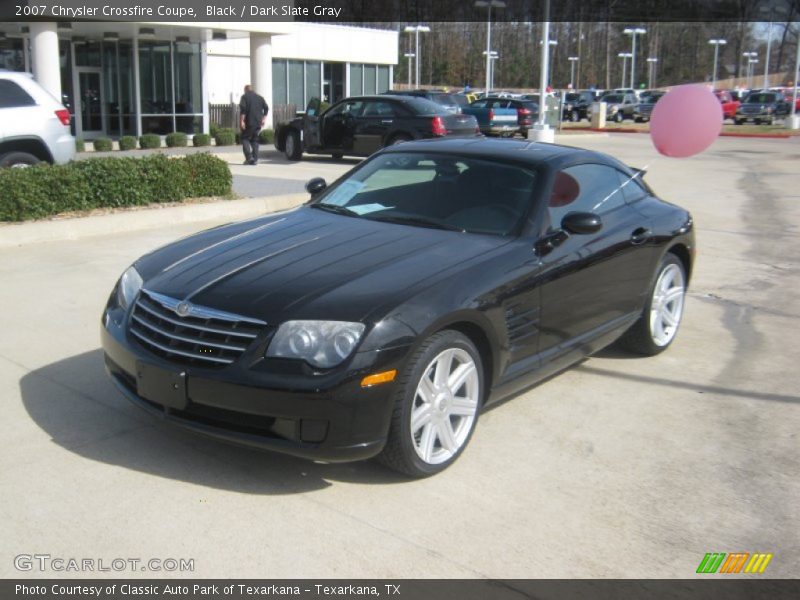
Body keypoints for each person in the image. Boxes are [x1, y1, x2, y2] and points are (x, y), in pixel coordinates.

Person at [239, 84, 269, 165]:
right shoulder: (259, 97)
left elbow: (243, 110)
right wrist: (264, 119)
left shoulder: (244, 97)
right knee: (255, 139)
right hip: (258, 122)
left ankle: (249, 158)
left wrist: (242, 121)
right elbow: (266, 108)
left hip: (249, 122)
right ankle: (255, 159)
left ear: (245, 90)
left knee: (245, 138)